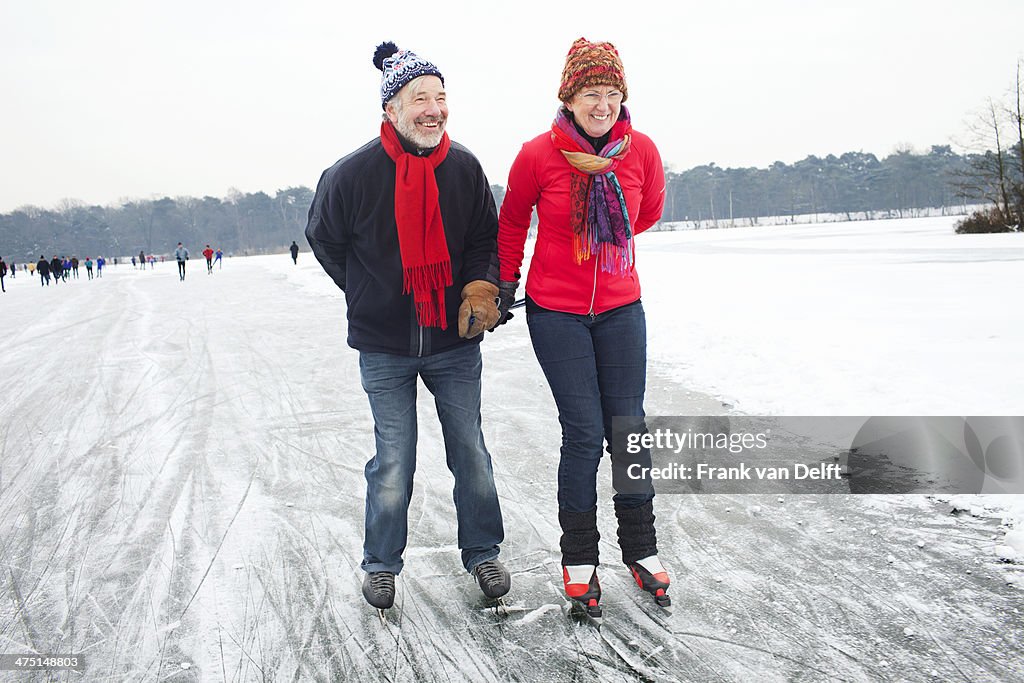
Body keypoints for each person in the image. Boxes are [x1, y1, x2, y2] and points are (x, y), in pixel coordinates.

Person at [306, 41, 508, 613]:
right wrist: (365, 290)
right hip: (385, 345)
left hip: (453, 341)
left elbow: (482, 241)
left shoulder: (464, 167)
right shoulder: (352, 173)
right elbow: (324, 238)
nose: (433, 109)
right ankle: (381, 564)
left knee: (470, 450)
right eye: (420, 97)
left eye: (441, 98)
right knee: (394, 460)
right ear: (392, 107)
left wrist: (478, 286)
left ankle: (484, 552)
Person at [495, 38, 669, 617]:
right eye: (591, 92)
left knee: (629, 428)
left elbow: (647, 214)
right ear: (568, 98)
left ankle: (641, 550)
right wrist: (502, 283)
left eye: (612, 92)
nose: (603, 103)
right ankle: (580, 558)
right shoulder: (537, 155)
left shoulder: (640, 150)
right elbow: (514, 221)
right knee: (584, 430)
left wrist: (603, 236)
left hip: (621, 308)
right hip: (557, 313)